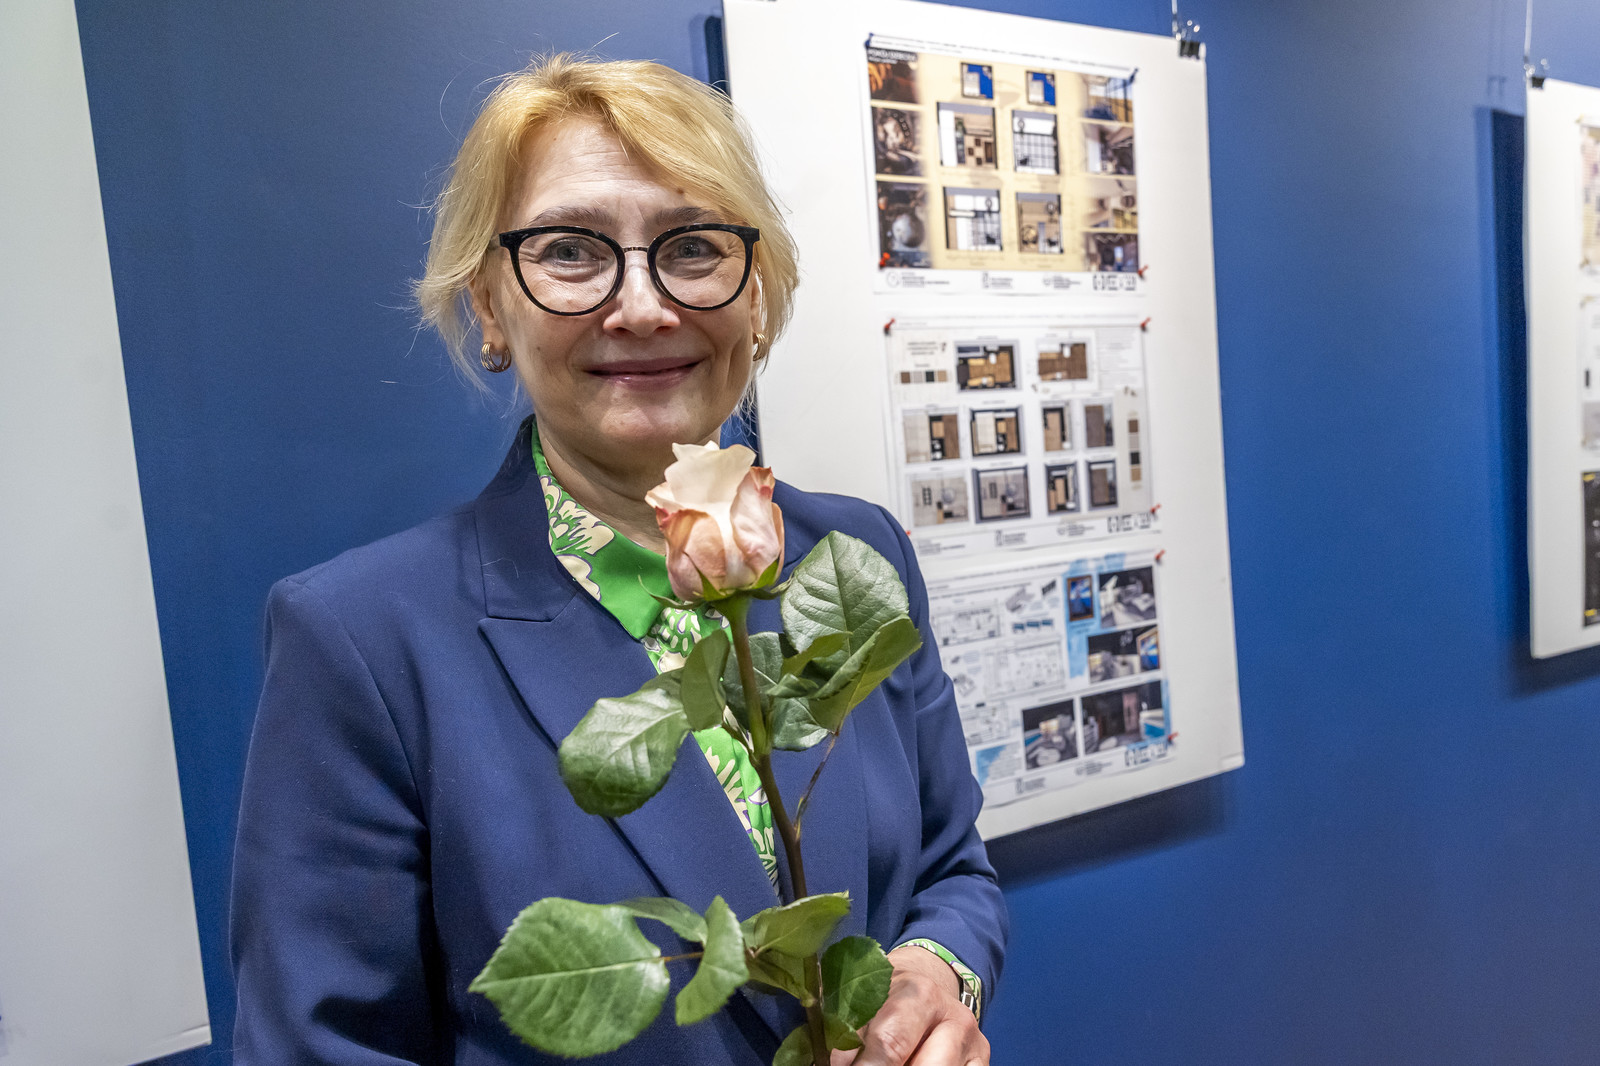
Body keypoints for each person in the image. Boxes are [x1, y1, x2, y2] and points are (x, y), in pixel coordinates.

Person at [230, 54, 1007, 1066]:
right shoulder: (364, 643)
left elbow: (954, 870)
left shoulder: (856, 557)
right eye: (569, 251)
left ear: (757, 295)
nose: (641, 306)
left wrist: (937, 973)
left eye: (692, 246)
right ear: (490, 306)